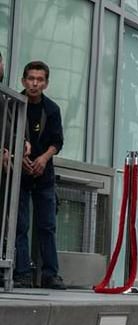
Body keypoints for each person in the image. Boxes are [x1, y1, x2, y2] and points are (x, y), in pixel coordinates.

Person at [14, 61, 65, 289]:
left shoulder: (52, 109)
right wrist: (18, 158)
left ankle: (50, 274)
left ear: (46, 83)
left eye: (40, 79)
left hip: (44, 176)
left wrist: (43, 159)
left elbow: (57, 141)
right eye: (31, 78)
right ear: (23, 80)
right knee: (19, 225)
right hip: (19, 175)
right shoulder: (13, 104)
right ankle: (22, 273)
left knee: (47, 226)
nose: (35, 83)